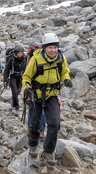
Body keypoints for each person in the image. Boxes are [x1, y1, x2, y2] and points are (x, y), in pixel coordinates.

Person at [22, 33, 72, 166]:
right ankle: (33, 144)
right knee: (35, 122)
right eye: (50, 48)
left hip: (52, 94)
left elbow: (64, 71)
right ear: (44, 48)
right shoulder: (36, 59)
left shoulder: (61, 58)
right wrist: (26, 87)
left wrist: (67, 79)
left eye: (55, 48)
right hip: (35, 94)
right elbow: (26, 77)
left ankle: (48, 151)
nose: (53, 50)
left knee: (55, 123)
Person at [3, 43, 26, 112]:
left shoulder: (24, 59)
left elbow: (26, 69)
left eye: (21, 53)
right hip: (13, 77)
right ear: (16, 53)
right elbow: (6, 70)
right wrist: (5, 81)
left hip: (21, 77)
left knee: (18, 92)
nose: (20, 54)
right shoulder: (12, 59)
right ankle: (16, 106)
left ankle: (13, 101)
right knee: (15, 93)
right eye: (18, 53)